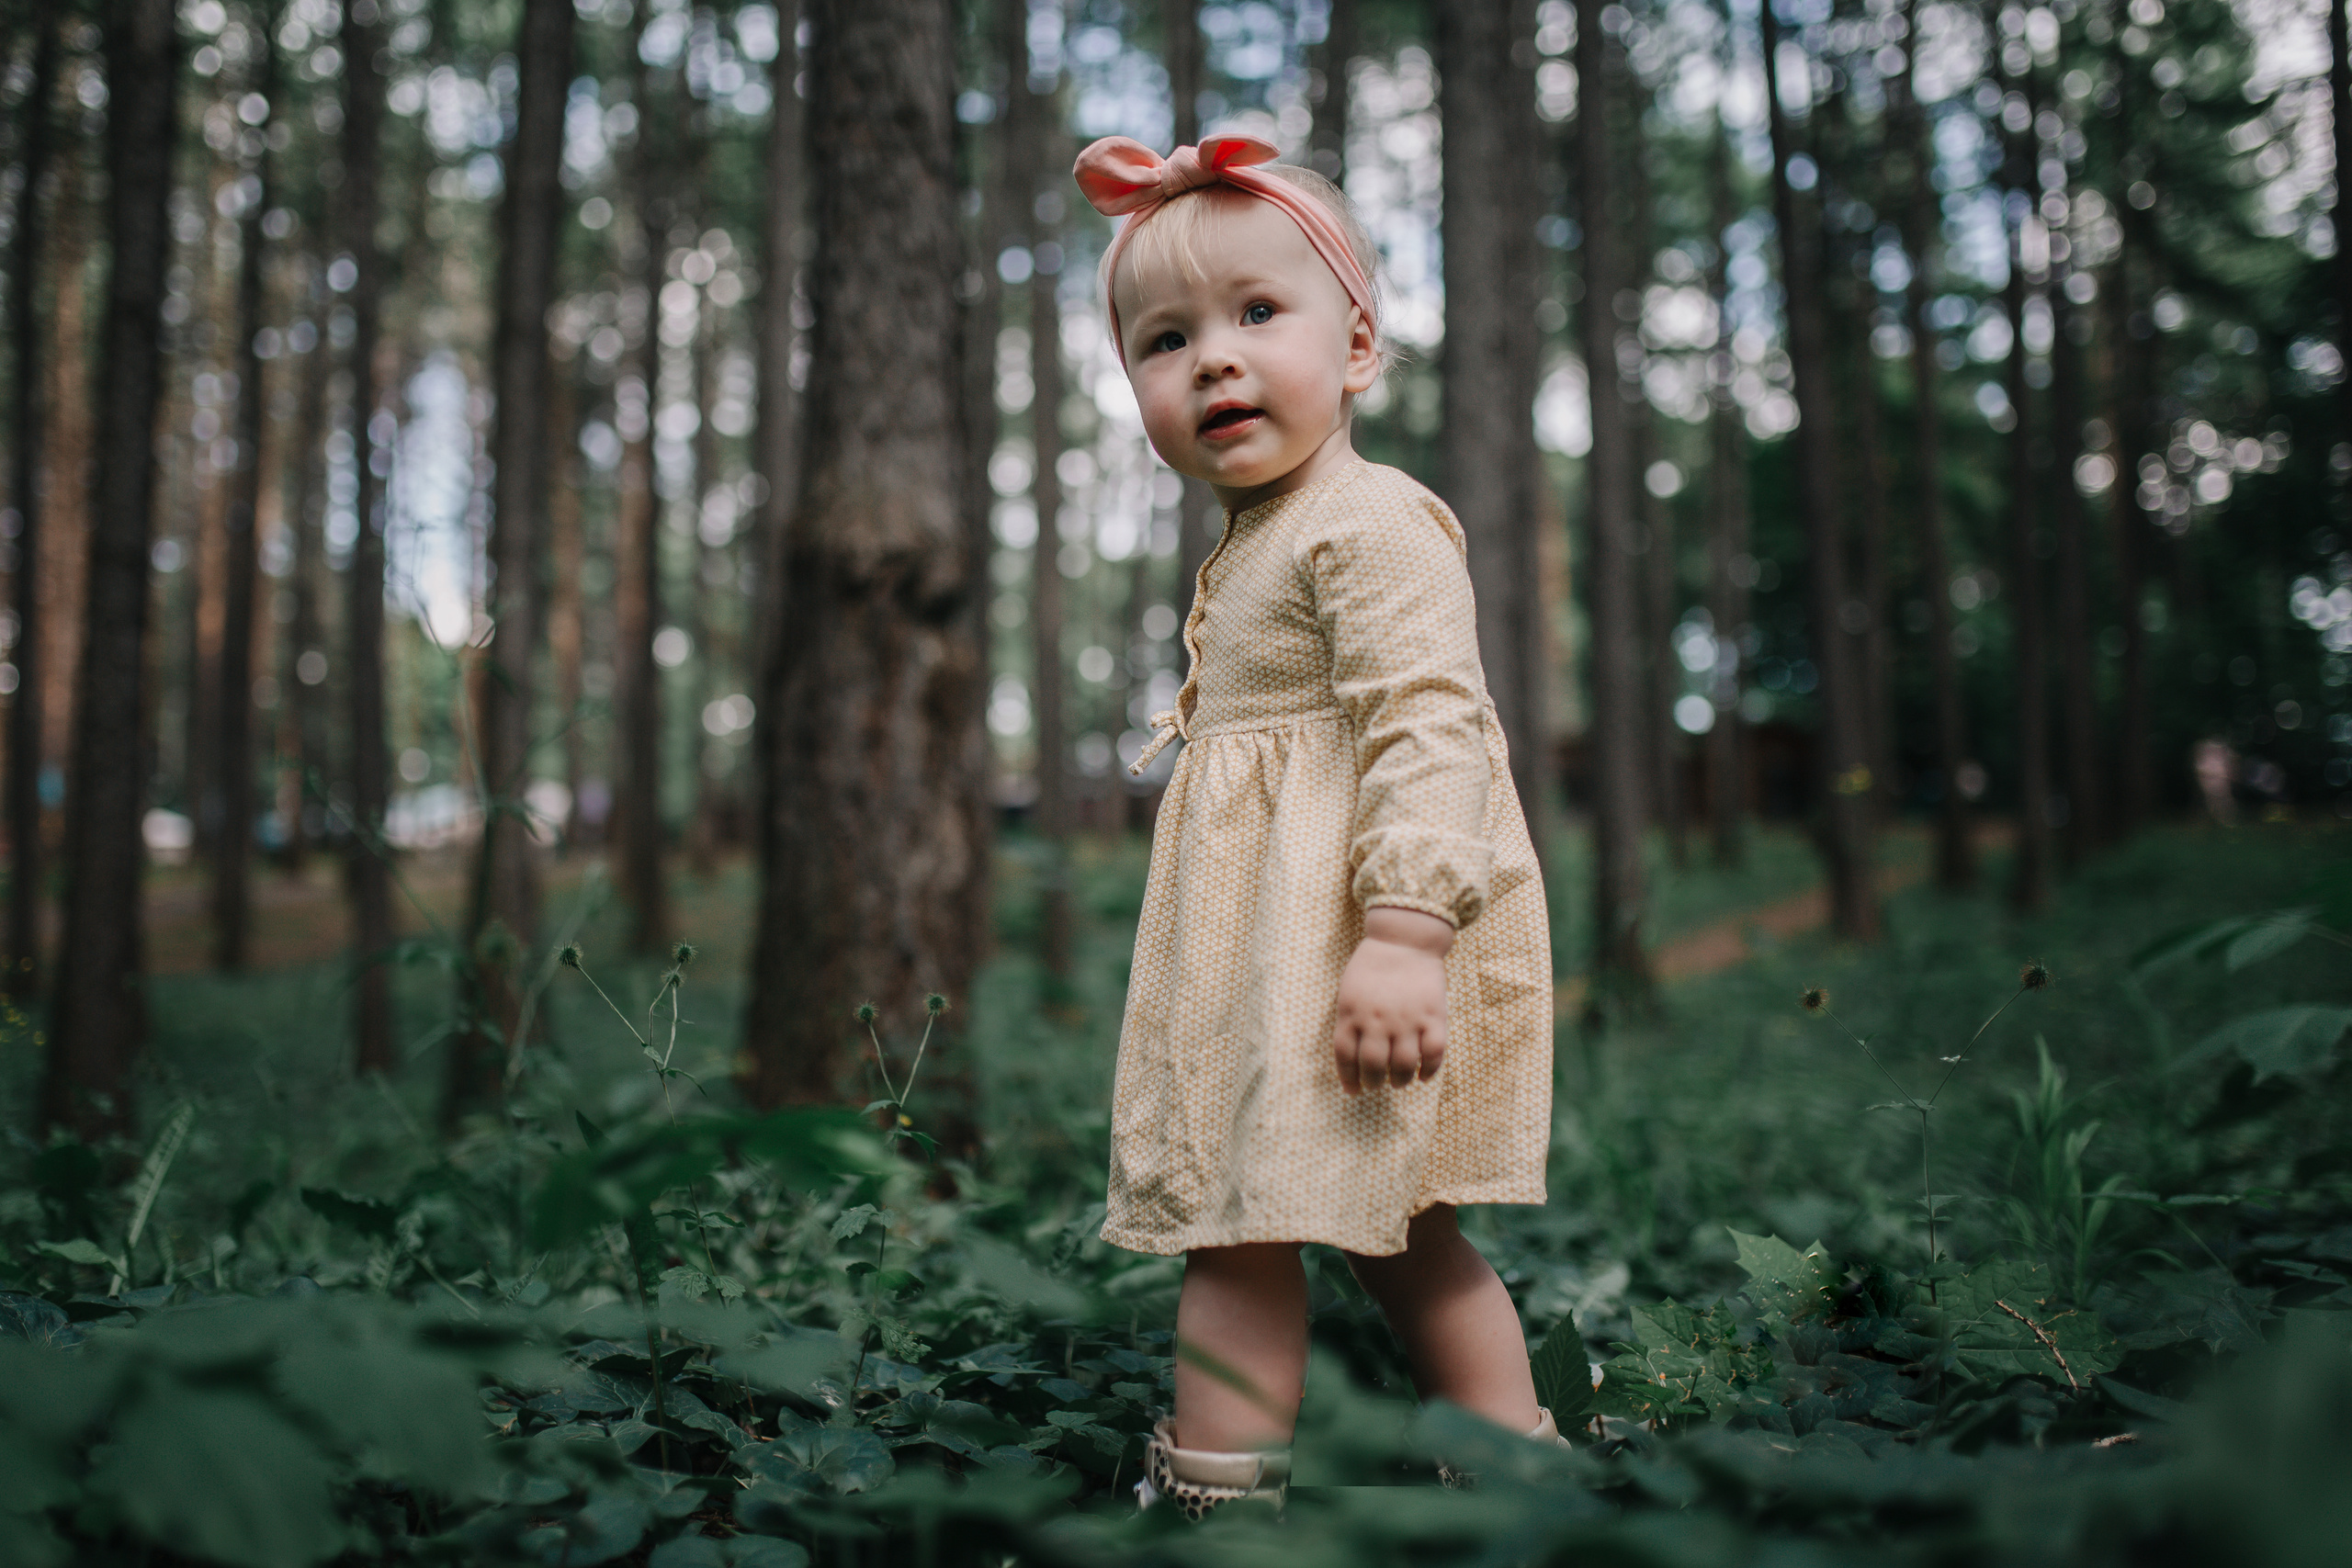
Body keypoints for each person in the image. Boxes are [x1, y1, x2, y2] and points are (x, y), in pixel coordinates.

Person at [1071, 131, 1562, 1517]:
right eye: (1166, 341)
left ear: (1355, 350)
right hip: (1271, 963)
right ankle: (1504, 1467)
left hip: (1355, 947)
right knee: (1358, 1230)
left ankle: (1233, 1505)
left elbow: (1431, 722)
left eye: (1257, 314)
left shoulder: (1374, 522)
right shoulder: (1260, 537)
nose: (1213, 359)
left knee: (1283, 1233)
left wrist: (1407, 932)